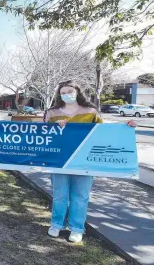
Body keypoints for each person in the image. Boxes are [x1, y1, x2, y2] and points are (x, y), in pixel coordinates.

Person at [45, 80, 136, 243]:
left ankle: (76, 228)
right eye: (63, 92)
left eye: (70, 91)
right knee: (60, 195)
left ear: (77, 92)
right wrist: (54, 128)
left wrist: (125, 127)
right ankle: (56, 225)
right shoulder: (52, 112)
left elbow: (104, 132)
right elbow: (42, 136)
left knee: (80, 195)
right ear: (59, 94)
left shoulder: (91, 111)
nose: (66, 94)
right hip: (59, 160)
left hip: (85, 161)